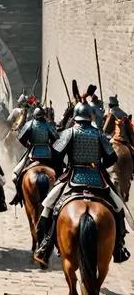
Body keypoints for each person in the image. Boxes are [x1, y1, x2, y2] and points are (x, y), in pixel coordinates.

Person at [34, 98, 131, 267]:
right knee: (118, 207)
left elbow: (56, 154)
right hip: (97, 178)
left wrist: (64, 167)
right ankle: (119, 246)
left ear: (75, 117)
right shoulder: (99, 134)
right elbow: (112, 158)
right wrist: (100, 166)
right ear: (90, 116)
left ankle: (46, 244)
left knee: (49, 205)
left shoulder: (69, 133)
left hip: (74, 176)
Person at [10, 107, 59, 204]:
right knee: (59, 173)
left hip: (33, 154)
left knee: (18, 176)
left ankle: (19, 195)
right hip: (47, 156)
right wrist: (50, 144)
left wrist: (28, 145)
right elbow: (56, 137)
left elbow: (21, 138)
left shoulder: (30, 124)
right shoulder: (48, 125)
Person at [104, 95, 134, 161]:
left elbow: (106, 130)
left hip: (115, 136)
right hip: (126, 138)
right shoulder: (124, 113)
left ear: (110, 105)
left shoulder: (112, 113)